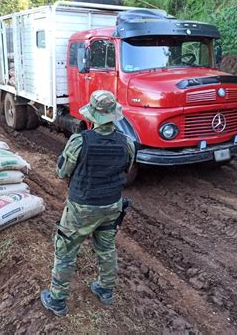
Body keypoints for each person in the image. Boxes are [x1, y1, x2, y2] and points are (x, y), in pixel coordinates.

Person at [40, 90, 136, 316]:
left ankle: (57, 300)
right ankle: (105, 290)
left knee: (65, 251)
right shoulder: (127, 143)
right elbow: (126, 170)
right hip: (112, 205)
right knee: (106, 249)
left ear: (93, 116)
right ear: (113, 115)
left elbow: (63, 172)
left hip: (82, 208)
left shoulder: (79, 141)